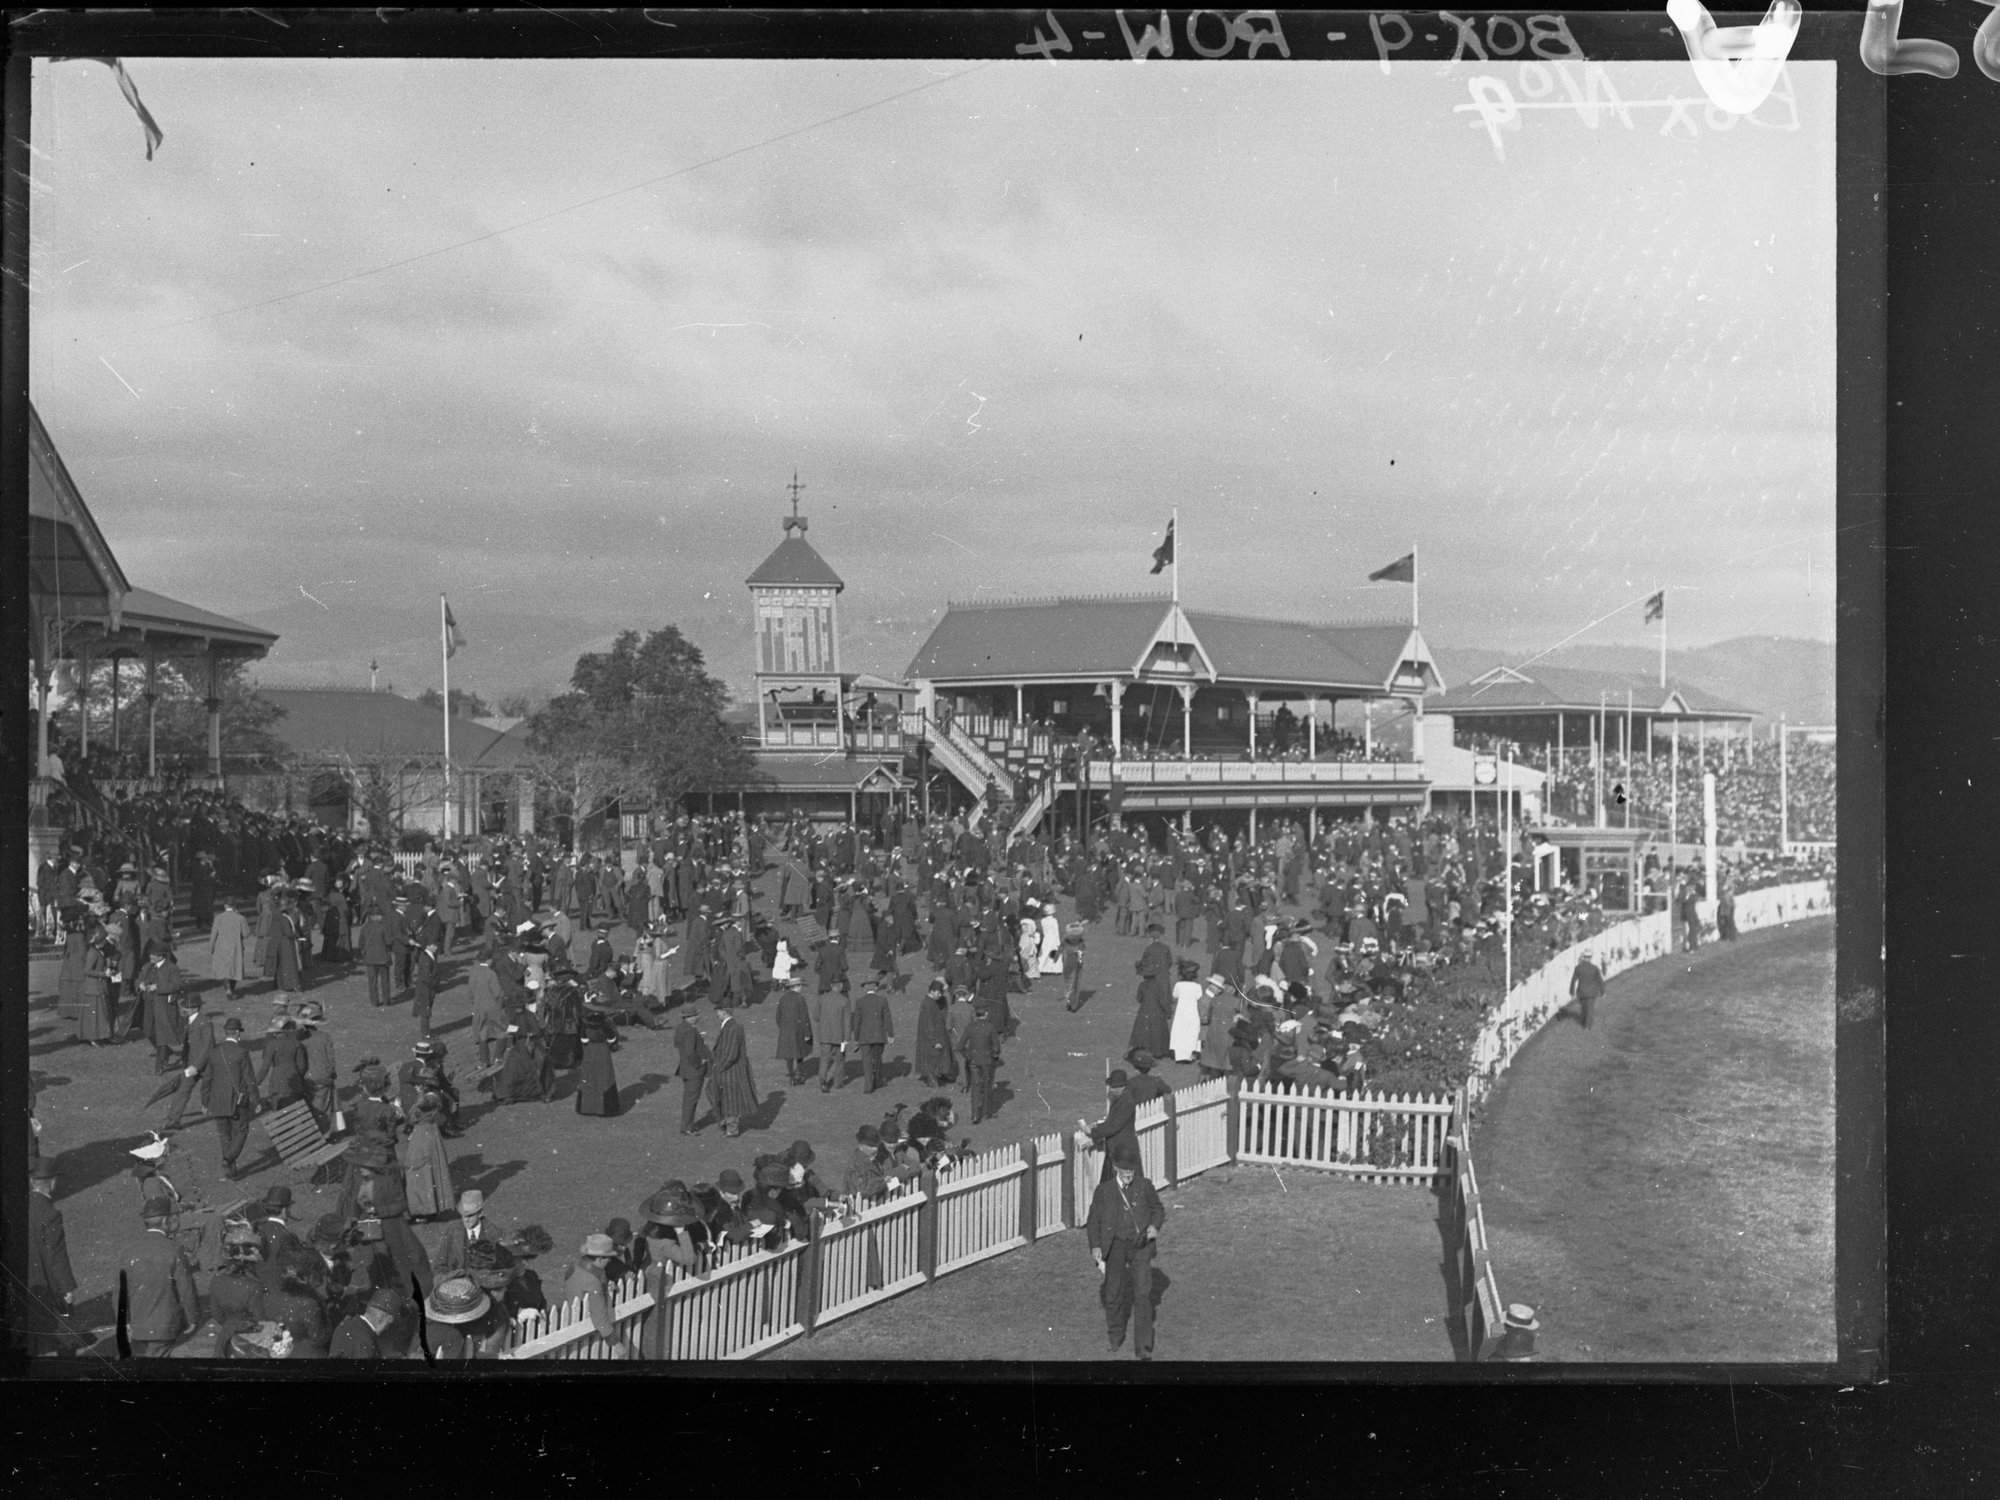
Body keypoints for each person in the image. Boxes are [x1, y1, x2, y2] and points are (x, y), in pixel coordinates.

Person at [1085, 1141, 1166, 1360]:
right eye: (1125, 1171)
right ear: (1115, 1169)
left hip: (1140, 1245)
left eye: (1132, 1171)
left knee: (1143, 1295)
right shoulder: (1104, 1191)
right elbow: (1093, 1222)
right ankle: (1115, 1337)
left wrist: (1153, 1227)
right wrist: (1095, 1246)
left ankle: (1144, 1349)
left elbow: (1158, 1209)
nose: (1129, 1175)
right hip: (1115, 1246)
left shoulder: (1144, 1186)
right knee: (1113, 1295)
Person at [123, 1188, 201, 1356]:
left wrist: (124, 1322)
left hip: (137, 1326)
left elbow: (119, 1292)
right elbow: (186, 1289)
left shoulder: (129, 1250)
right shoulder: (174, 1249)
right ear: (165, 1221)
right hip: (164, 1326)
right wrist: (193, 1318)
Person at [194, 1017, 260, 1180]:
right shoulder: (242, 1052)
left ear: (225, 1033)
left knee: (225, 1136)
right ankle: (228, 1159)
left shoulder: (215, 1052)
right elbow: (249, 1079)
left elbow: (207, 1079)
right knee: (241, 1130)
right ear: (237, 1033)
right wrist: (256, 1101)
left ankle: (230, 1171)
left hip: (217, 1102)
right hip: (237, 1102)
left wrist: (204, 1101)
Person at [25, 1159, 77, 1356]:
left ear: (32, 1181)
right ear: (53, 1182)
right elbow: (56, 1255)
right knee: (61, 1332)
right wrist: (66, 1288)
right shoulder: (50, 1213)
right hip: (47, 1286)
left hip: (26, 1282)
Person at [560, 1233, 636, 1357]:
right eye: (608, 1258)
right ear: (599, 1259)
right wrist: (616, 1343)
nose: (610, 1261)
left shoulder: (575, 1267)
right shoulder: (592, 1280)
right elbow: (599, 1316)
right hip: (587, 1330)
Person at [402, 1089, 456, 1220]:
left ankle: (418, 1208)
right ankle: (434, 1205)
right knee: (434, 1172)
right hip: (432, 1141)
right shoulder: (434, 1117)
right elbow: (446, 1116)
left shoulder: (415, 1115)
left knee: (418, 1176)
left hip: (417, 1142)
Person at [1080, 1070, 1140, 1185]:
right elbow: (1112, 1122)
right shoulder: (1121, 1099)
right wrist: (1097, 1126)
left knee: (1118, 1187)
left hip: (1122, 1152)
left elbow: (1113, 1126)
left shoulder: (1126, 1102)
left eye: (1113, 1087)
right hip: (1117, 1150)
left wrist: (1092, 1131)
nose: (1110, 1090)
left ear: (1121, 1087)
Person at [708, 1007, 758, 1137]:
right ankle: (726, 1124)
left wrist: (718, 1068)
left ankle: (731, 1129)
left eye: (718, 1011)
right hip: (728, 1069)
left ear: (724, 1012)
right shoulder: (730, 1026)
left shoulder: (732, 1028)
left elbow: (731, 1054)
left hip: (731, 1070)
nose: (716, 1013)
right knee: (719, 1095)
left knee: (730, 1100)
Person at [958, 1002, 1002, 1125]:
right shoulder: (990, 1027)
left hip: (974, 1061)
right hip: (987, 1061)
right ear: (986, 1014)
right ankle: (987, 1113)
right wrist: (994, 1055)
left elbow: (960, 1046)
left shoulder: (970, 1027)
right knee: (987, 1086)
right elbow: (996, 1047)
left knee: (976, 1088)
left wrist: (968, 1055)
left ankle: (975, 1115)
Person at [328, 1287, 402, 1358]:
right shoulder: (366, 1342)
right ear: (381, 1316)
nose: (387, 1327)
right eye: (390, 1321)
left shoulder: (346, 1323)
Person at [850, 978, 895, 1095]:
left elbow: (856, 1021)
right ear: (876, 988)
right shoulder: (882, 1000)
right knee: (877, 1059)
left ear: (865, 988)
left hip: (864, 1037)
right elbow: (887, 1018)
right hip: (879, 1035)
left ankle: (868, 1085)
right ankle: (877, 1081)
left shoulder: (859, 1001)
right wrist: (890, 1034)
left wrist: (856, 1037)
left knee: (867, 1061)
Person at [574, 1007, 622, 1117]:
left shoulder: (586, 1022)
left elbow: (583, 1039)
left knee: (588, 1077)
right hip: (602, 1051)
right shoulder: (605, 1022)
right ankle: (604, 1109)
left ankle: (587, 1108)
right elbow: (612, 1039)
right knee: (605, 1078)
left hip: (590, 1051)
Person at [913, 977, 958, 1088]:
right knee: (933, 1057)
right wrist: (935, 1041)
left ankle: (940, 1074)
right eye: (939, 993)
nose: (940, 995)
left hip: (938, 1033)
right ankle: (932, 1079)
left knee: (938, 1056)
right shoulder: (928, 1004)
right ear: (932, 991)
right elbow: (928, 1025)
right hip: (932, 1037)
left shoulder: (932, 1001)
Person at [810, 979, 852, 1093]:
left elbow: (815, 1016)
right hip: (840, 1035)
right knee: (840, 1059)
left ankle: (823, 1080)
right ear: (841, 986)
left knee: (824, 1059)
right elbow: (847, 1022)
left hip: (825, 1035)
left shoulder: (822, 998)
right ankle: (837, 1083)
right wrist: (847, 1038)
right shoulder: (844, 1000)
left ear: (831, 985)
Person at [673, 1008, 711, 1134]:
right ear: (690, 1017)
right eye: (696, 1015)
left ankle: (687, 1125)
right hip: (694, 1070)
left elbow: (677, 1044)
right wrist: (699, 1062)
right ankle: (687, 1128)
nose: (698, 1016)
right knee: (692, 1099)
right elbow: (690, 1052)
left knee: (688, 1099)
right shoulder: (690, 1031)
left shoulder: (681, 1028)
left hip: (686, 1068)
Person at [774, 978, 814, 1086]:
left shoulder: (782, 998)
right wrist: (807, 1033)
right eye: (800, 986)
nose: (801, 988)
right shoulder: (800, 998)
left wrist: (783, 1028)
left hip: (786, 1031)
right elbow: (804, 1017)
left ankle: (792, 1077)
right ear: (796, 986)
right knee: (800, 1052)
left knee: (789, 1055)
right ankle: (799, 1075)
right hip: (798, 1031)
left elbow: (778, 1016)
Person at [1168, 959, 1204, 1064]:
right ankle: (1190, 1054)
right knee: (1191, 1033)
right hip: (1192, 1012)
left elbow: (1174, 996)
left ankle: (1178, 1054)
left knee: (1179, 1032)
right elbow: (1199, 997)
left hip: (1181, 1012)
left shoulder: (1179, 985)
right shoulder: (1198, 987)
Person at [1570, 950, 1605, 1031]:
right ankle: (1587, 1027)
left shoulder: (1578, 968)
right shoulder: (1594, 968)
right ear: (1590, 958)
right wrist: (1602, 991)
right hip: (1592, 992)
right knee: (1590, 1009)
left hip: (1581, 992)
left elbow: (1573, 980)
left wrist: (1572, 992)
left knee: (1584, 1007)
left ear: (1583, 957)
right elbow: (1599, 980)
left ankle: (1583, 1022)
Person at [1061, 923, 1087, 1013]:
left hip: (1067, 962)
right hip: (1075, 962)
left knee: (1068, 982)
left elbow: (1060, 950)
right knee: (1075, 983)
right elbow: (1083, 951)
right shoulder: (1081, 942)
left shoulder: (1066, 941)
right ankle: (1073, 1004)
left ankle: (1070, 1001)